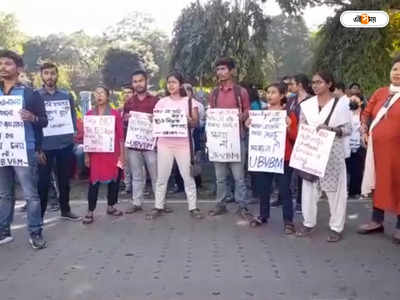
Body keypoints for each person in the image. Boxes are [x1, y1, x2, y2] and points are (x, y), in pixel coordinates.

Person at [296, 71, 352, 242]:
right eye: (313, 82)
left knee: (336, 191)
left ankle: (336, 227)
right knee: (308, 188)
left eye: (319, 82)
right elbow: (302, 126)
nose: (315, 85)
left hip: (333, 153)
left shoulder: (341, 104)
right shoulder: (307, 105)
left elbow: (348, 129)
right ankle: (308, 222)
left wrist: (332, 130)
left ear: (329, 84)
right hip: (312, 152)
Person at [0, 50, 48, 249]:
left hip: (24, 149)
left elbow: (44, 121)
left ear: (18, 69)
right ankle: (4, 231)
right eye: (0, 63)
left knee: (30, 194)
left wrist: (32, 118)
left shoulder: (30, 93)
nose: (3, 67)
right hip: (3, 149)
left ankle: (35, 232)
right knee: (4, 194)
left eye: (8, 63)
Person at [146, 71, 203, 219]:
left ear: (180, 84)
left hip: (183, 144)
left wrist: (189, 120)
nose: (171, 85)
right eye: (169, 82)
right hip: (164, 144)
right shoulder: (162, 102)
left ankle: (193, 207)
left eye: (174, 82)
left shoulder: (190, 102)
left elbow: (195, 122)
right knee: (162, 177)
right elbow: (156, 121)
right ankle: (158, 206)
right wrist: (153, 119)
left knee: (187, 177)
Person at [357, 56, 400, 243]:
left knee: (398, 184)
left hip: (397, 151)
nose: (397, 73)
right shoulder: (380, 92)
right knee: (378, 182)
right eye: (395, 69)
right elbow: (366, 113)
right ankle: (377, 220)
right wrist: (364, 131)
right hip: (376, 151)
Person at [245, 82, 298, 234]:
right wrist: (248, 123)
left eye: (273, 92)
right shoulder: (261, 113)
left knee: (284, 190)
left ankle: (288, 220)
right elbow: (250, 127)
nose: (269, 95)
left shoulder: (288, 114)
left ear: (282, 96)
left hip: (283, 158)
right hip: (264, 157)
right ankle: (263, 215)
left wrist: (289, 126)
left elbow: (295, 136)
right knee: (264, 188)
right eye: (268, 92)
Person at [207, 58, 252, 219]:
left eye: (223, 69)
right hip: (219, 141)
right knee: (220, 177)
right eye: (218, 69)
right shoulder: (214, 93)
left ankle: (242, 206)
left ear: (232, 71)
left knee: (239, 177)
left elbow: (248, 111)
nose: (220, 72)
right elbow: (211, 114)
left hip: (237, 139)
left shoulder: (241, 92)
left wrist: (243, 115)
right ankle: (221, 204)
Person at [37, 63, 80, 220]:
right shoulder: (35, 96)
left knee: (64, 181)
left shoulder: (66, 95)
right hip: (44, 146)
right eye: (46, 73)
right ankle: (39, 216)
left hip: (64, 144)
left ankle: (65, 210)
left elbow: (72, 115)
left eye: (53, 73)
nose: (50, 76)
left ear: (57, 75)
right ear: (41, 75)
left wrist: (73, 131)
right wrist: (37, 148)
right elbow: (33, 123)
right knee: (42, 183)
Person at [82, 86, 124, 224]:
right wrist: (87, 156)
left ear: (107, 96)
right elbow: (86, 137)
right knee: (93, 183)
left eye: (101, 93)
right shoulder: (89, 115)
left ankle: (111, 206)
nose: (99, 96)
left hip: (112, 154)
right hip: (96, 154)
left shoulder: (114, 114)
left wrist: (122, 156)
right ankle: (90, 210)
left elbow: (120, 137)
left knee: (114, 181)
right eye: (96, 93)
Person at [123, 70, 158, 214]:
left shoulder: (156, 100)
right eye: (135, 81)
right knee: (136, 175)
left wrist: (155, 118)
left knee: (156, 174)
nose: (138, 84)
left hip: (150, 144)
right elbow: (124, 120)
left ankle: (160, 203)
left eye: (140, 81)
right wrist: (125, 118)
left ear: (146, 81)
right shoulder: (129, 102)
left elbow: (162, 120)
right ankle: (137, 203)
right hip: (133, 145)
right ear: (132, 84)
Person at [282, 73, 313, 213]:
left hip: (305, 140)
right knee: (288, 171)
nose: (289, 87)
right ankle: (286, 198)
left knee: (303, 173)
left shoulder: (312, 100)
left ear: (300, 84)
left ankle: (301, 201)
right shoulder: (291, 100)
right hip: (290, 139)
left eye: (291, 84)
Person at [347, 93, 365, 198]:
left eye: (355, 99)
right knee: (348, 169)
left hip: (359, 146)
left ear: (361, 102)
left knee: (357, 170)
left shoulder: (363, 115)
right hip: (347, 146)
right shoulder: (346, 113)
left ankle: (355, 192)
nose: (352, 100)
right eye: (351, 99)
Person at [120, 84, 134, 195]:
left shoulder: (137, 107)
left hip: (136, 140)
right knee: (125, 165)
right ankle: (127, 186)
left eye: (129, 92)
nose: (126, 95)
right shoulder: (120, 109)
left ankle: (139, 188)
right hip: (123, 140)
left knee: (138, 166)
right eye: (124, 93)